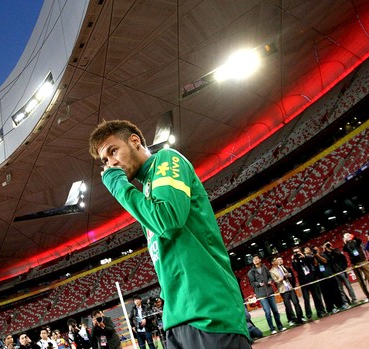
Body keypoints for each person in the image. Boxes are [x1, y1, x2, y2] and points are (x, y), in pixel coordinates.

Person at [89, 120, 250, 348]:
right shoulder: (146, 190)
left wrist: (119, 188)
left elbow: (168, 220)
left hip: (208, 313)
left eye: (113, 151)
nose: (111, 163)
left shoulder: (166, 159)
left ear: (134, 141)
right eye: (105, 160)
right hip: (176, 319)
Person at [247, 254, 286, 334]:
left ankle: (280, 326)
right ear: (253, 262)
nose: (255, 260)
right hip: (261, 295)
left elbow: (269, 277)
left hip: (270, 292)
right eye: (254, 259)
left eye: (257, 258)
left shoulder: (265, 268)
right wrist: (258, 284)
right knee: (267, 312)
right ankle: (272, 329)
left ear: (260, 260)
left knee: (275, 311)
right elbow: (252, 283)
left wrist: (270, 280)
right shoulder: (251, 272)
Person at [291, 246, 326, 318]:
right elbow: (295, 269)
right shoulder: (295, 261)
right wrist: (294, 260)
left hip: (312, 279)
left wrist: (303, 257)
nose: (297, 253)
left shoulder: (306, 257)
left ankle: (320, 311)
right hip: (303, 282)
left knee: (316, 296)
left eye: (298, 252)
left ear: (301, 251)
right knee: (306, 299)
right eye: (295, 252)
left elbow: (312, 260)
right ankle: (309, 314)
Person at [269, 256, 304, 325]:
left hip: (289, 287)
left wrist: (287, 275)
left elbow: (288, 274)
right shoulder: (271, 271)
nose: (277, 261)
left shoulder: (281, 267)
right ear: (272, 262)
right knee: (288, 306)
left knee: (296, 302)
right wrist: (282, 278)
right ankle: (293, 319)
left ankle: (300, 317)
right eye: (275, 260)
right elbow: (275, 281)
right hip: (283, 289)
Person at [342, 232, 369, 301]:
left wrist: (353, 237)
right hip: (355, 264)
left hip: (363, 261)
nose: (348, 237)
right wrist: (345, 242)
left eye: (348, 235)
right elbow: (344, 249)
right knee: (361, 281)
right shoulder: (346, 245)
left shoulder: (355, 241)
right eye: (346, 236)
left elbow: (359, 241)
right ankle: (368, 295)